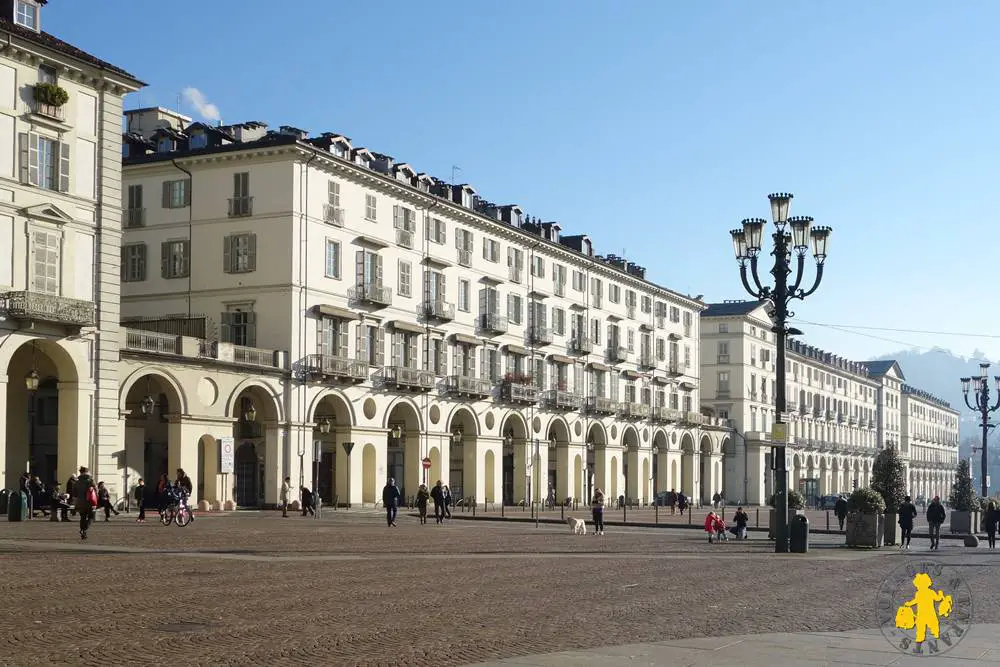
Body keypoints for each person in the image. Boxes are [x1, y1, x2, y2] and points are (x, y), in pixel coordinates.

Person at [75, 466, 97, 540]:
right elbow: (95, 490)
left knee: (83, 517)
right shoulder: (90, 480)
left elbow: (74, 493)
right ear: (87, 472)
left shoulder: (77, 481)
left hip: (80, 502)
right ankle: (84, 530)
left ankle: (83, 532)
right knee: (91, 517)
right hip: (89, 502)